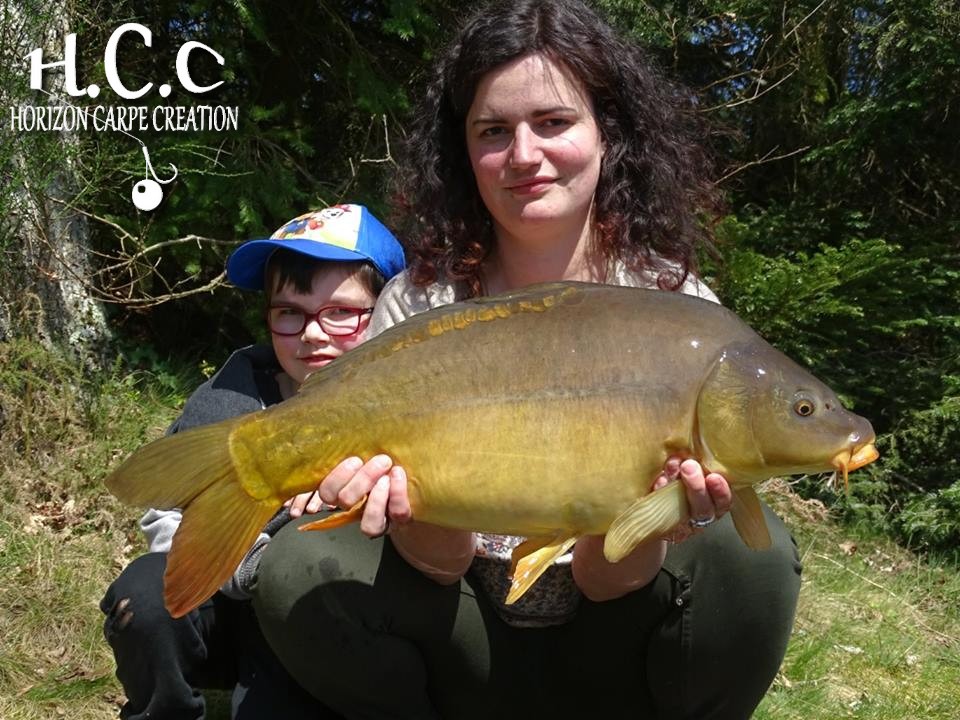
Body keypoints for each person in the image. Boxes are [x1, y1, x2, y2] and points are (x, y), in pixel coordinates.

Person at [251, 1, 802, 718]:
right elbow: (440, 563)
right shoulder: (420, 302)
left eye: (553, 122)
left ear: (607, 132)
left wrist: (659, 519)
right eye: (493, 131)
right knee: (298, 567)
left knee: (749, 560)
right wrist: (409, 507)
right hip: (462, 635)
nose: (523, 155)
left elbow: (609, 582)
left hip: (609, 643)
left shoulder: (676, 306)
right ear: (464, 150)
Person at [100, 204, 405, 720]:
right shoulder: (232, 396)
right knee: (144, 598)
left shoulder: (405, 406)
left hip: (327, 612)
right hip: (223, 606)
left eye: (340, 312)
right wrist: (250, 560)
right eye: (289, 312)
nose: (312, 333)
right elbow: (168, 520)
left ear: (388, 314)